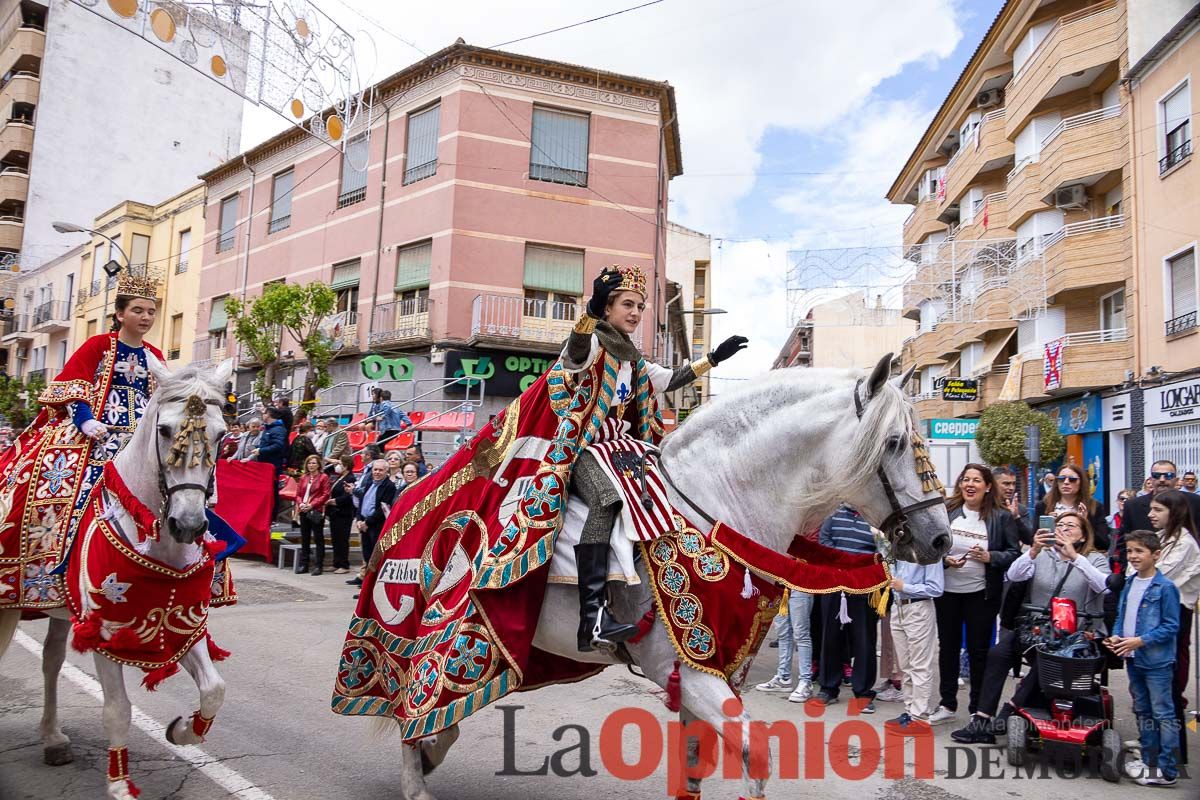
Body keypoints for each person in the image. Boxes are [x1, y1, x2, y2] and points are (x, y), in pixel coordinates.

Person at [563, 265, 747, 652]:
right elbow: (575, 353)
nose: (635, 312)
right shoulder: (592, 345)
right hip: (583, 449)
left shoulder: (635, 361)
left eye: (640, 307)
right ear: (608, 307)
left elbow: (672, 379)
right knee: (606, 501)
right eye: (627, 304)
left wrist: (714, 357)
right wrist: (590, 314)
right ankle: (591, 618)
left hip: (625, 450)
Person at [0, 280, 164, 609]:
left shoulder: (155, 355)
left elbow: (162, 397)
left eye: (151, 311)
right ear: (120, 314)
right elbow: (76, 385)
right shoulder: (98, 346)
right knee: (57, 485)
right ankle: (55, 561)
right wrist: (85, 420)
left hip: (140, 437)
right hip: (96, 434)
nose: (146, 317)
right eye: (137, 310)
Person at [950, 511, 1110, 744]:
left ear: (1084, 536)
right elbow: (1013, 574)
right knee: (998, 652)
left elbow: (1103, 586)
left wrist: (1075, 557)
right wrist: (1033, 550)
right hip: (1038, 628)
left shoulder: (1094, 559)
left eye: (1071, 526)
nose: (1064, 529)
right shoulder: (1042, 554)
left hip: (1076, 634)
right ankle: (982, 719)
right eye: (1060, 524)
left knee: (1047, 660)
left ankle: (1009, 710)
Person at [930, 463, 1021, 725]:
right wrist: (946, 560)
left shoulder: (1001, 517)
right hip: (947, 592)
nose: (970, 485)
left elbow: (1014, 553)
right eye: (966, 479)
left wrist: (990, 556)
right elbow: (932, 546)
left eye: (977, 481)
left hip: (981, 594)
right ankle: (947, 703)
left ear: (988, 487)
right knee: (947, 649)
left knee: (978, 651)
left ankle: (977, 708)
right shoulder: (947, 511)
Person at [1106, 531, 1182, 786]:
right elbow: (1121, 616)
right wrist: (1117, 636)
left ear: (1156, 555)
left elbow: (1171, 626)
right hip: (1133, 658)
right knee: (1143, 710)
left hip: (1156, 661)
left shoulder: (1166, 587)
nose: (1133, 556)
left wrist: (1141, 640)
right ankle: (1150, 761)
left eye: (1139, 551)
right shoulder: (1129, 582)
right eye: (1130, 551)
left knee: (1163, 713)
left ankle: (1168, 770)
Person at [1145, 489, 1200, 764]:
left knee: (1169, 688)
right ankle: (1155, 744)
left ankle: (1173, 753)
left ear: (1174, 512)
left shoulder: (1185, 543)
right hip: (1155, 615)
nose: (1150, 514)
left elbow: (1154, 576)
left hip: (1174, 616)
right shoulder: (1163, 538)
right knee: (1153, 688)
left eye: (1157, 510)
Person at [813, 505, 880, 713]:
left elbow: (882, 550)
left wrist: (858, 567)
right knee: (830, 637)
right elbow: (824, 543)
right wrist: (846, 565)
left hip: (865, 586)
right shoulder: (832, 513)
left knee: (864, 641)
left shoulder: (875, 517)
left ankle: (863, 693)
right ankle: (828, 688)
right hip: (835, 584)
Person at [885, 554, 944, 730]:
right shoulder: (897, 547)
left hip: (918, 607)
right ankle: (910, 711)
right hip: (898, 605)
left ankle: (920, 716)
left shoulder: (930, 550)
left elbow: (936, 588)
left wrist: (905, 587)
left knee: (919, 665)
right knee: (905, 665)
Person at [755, 589, 815, 703]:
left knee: (801, 634)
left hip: (800, 586)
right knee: (783, 633)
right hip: (782, 587)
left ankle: (806, 682)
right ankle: (783, 677)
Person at [1035, 462, 1110, 552]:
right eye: (1061, 479)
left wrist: (1085, 523)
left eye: (1072, 479)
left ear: (1081, 482)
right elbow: (1033, 539)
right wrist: (1049, 527)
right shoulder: (1043, 506)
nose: (1066, 482)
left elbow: (1104, 544)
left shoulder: (1094, 507)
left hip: (1083, 556)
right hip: (1051, 557)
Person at [353, 459, 397, 580]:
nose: (377, 472)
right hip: (363, 524)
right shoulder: (369, 483)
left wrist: (367, 522)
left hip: (375, 526)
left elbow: (382, 508)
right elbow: (362, 503)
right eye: (375, 469)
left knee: (375, 558)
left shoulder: (389, 486)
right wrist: (358, 520)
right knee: (367, 557)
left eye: (380, 470)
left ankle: (372, 585)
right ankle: (366, 584)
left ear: (386, 471)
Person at [295, 454, 331, 575]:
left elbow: (325, 494)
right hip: (303, 510)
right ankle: (304, 564)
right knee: (304, 538)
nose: (311, 465)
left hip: (316, 511)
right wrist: (301, 504)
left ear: (319, 465)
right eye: (309, 463)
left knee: (318, 538)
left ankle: (318, 565)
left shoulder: (323, 477)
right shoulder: (303, 477)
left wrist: (312, 504)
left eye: (314, 463)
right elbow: (298, 494)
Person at [326, 455, 357, 574]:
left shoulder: (350, 478)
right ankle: (336, 562)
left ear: (346, 466)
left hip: (343, 512)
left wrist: (335, 501)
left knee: (342, 539)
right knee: (335, 539)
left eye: (340, 463)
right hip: (335, 512)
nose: (338, 465)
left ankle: (344, 564)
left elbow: (348, 497)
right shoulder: (341, 477)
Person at [992, 466, 1033, 545]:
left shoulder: (1019, 509)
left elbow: (1029, 539)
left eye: (1013, 484)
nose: (1011, 488)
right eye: (1006, 484)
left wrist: (1016, 518)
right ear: (993, 484)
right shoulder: (982, 505)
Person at [255, 407, 288, 476]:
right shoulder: (268, 428)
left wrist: (260, 451)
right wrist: (257, 447)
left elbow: (277, 445)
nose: (262, 415)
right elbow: (267, 443)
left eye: (264, 413)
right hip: (265, 463)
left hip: (273, 464)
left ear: (268, 415)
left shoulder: (278, 429)